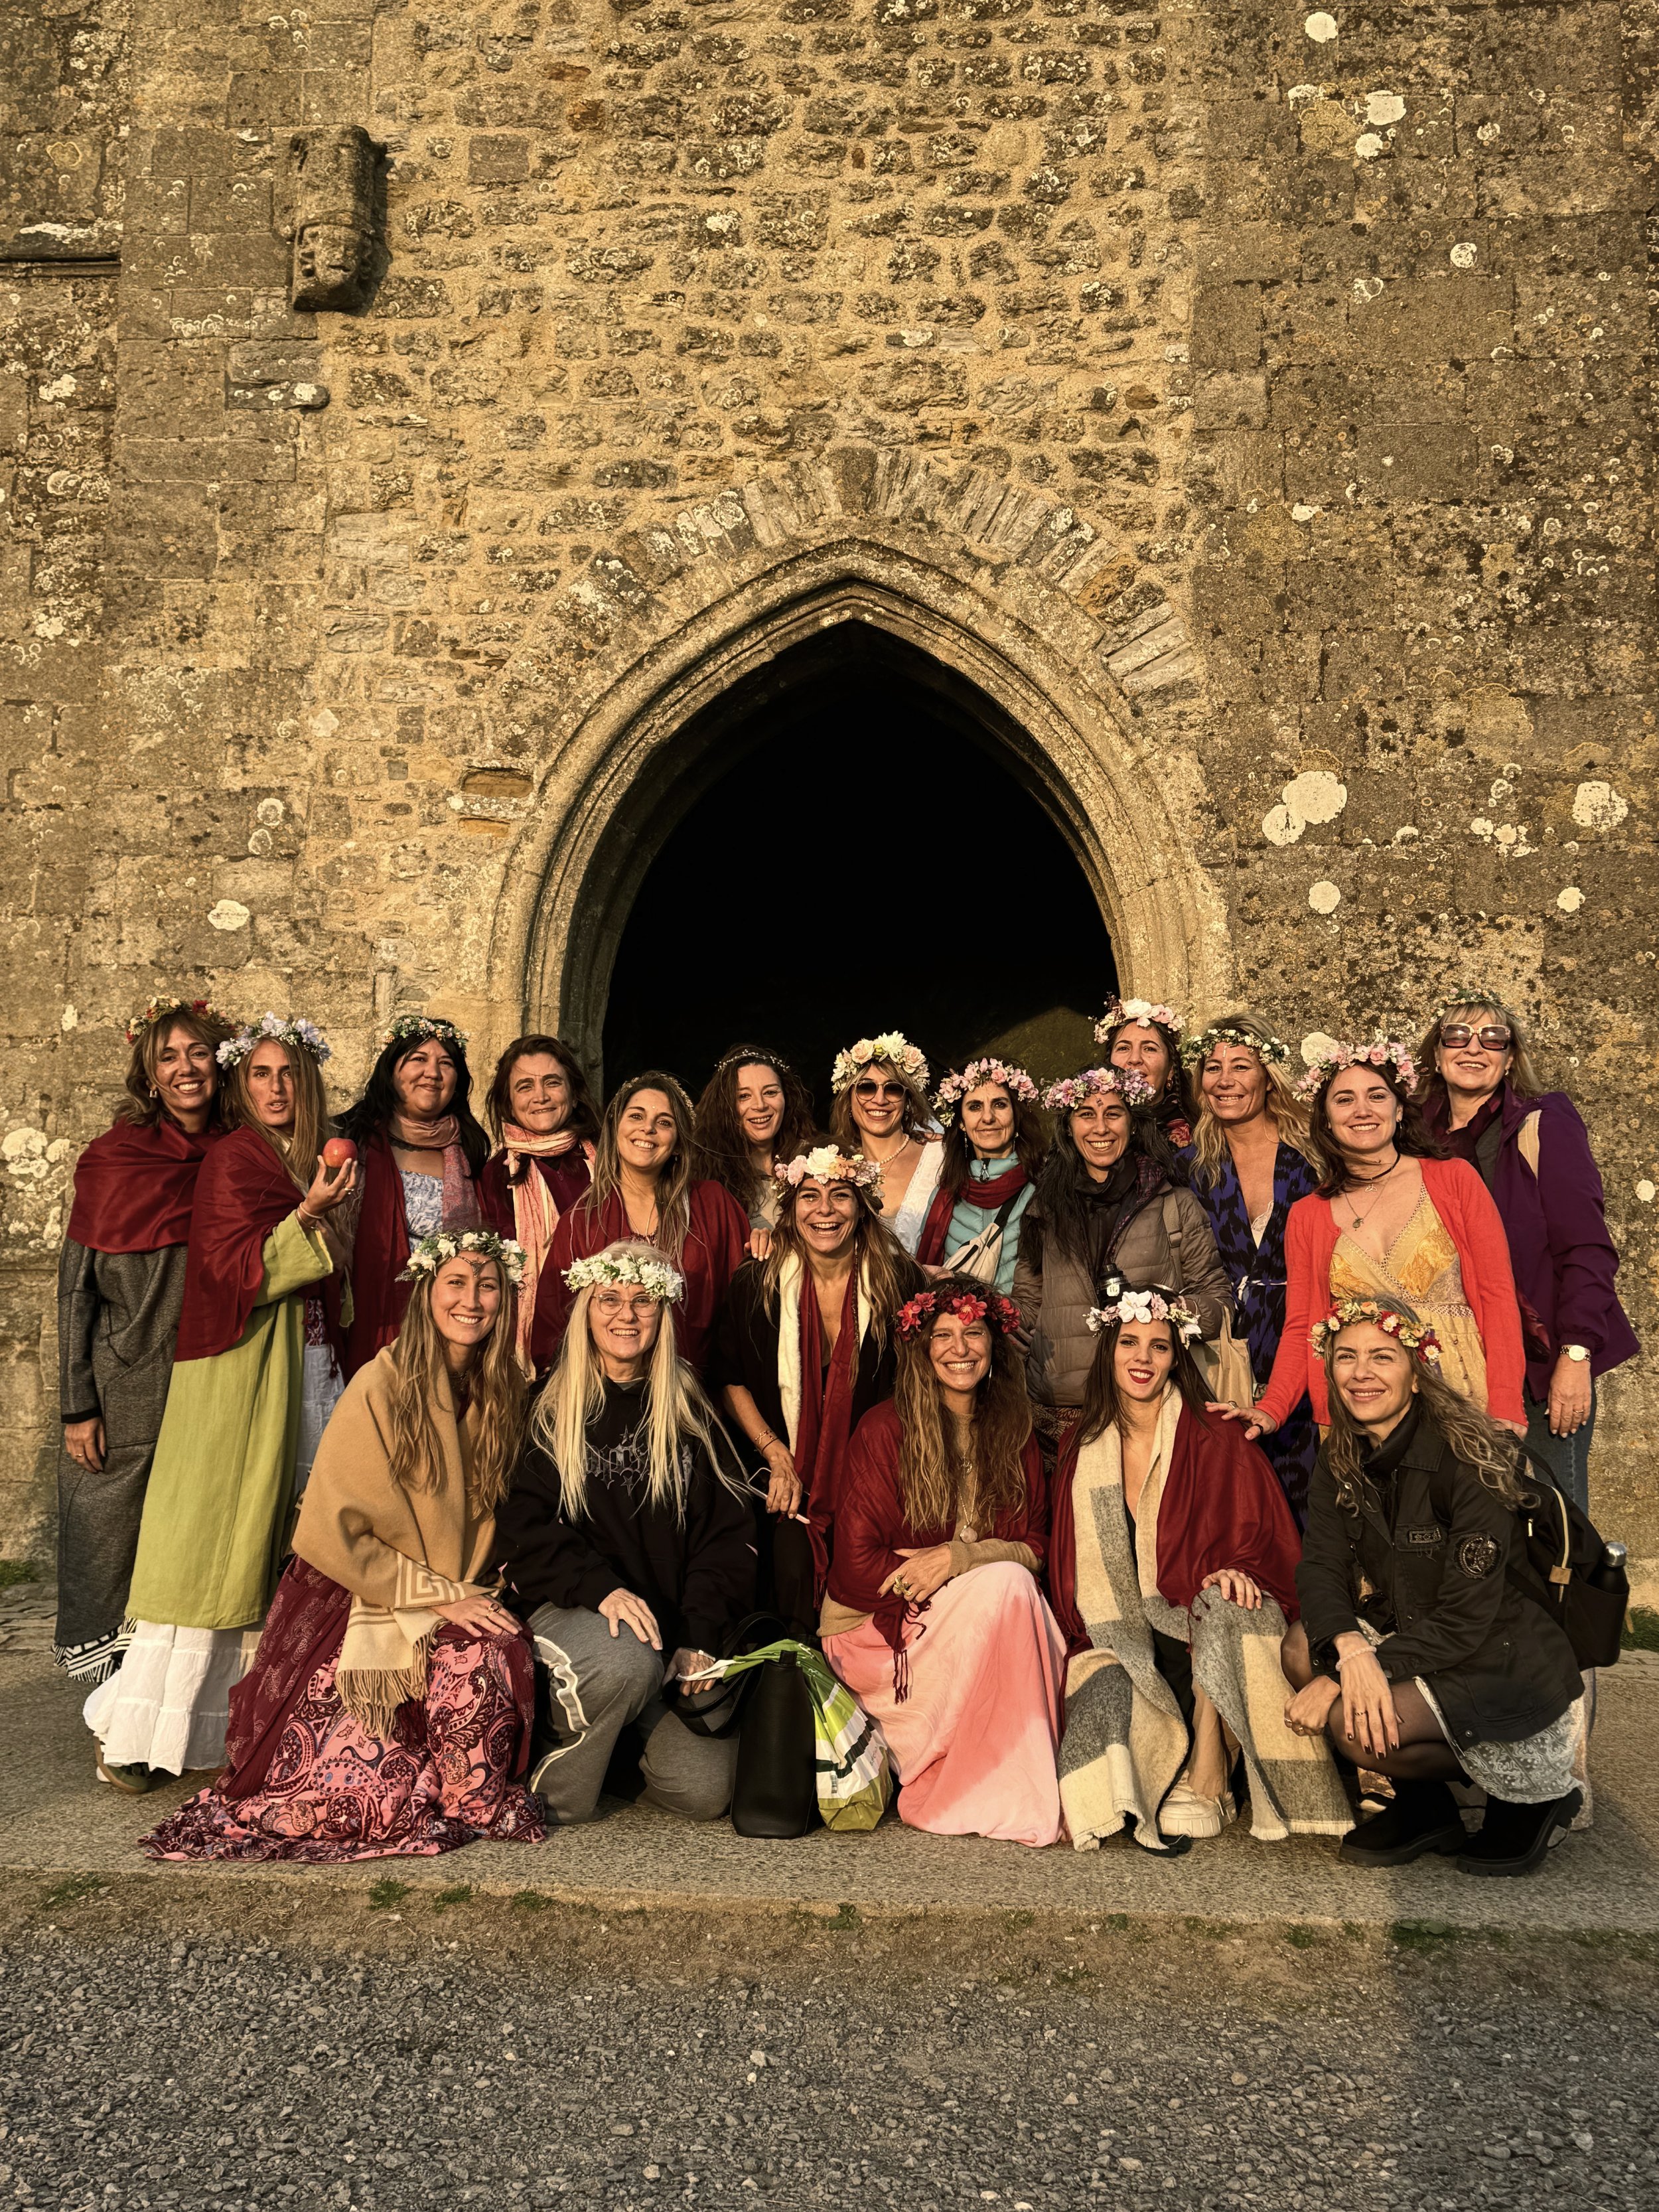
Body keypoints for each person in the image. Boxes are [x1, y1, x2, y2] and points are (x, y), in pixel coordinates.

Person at [143, 1230, 544, 1862]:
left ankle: (473, 1794)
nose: (472, 1300)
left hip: (463, 1584)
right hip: (363, 1591)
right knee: (368, 1794)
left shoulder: (505, 1393)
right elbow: (331, 1529)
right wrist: (440, 1596)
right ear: (427, 1294)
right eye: (456, 1283)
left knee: (494, 1654)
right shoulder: (379, 1386)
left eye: (488, 1285)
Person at [83, 1014, 357, 1790]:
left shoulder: (311, 1158)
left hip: (308, 1368)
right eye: (261, 1074)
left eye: (288, 1075)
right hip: (240, 1367)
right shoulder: (237, 1161)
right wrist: (307, 1216)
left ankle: (253, 1726)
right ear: (244, 1082)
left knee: (285, 1546)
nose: (274, 1088)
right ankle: (133, 1729)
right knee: (217, 1544)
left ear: (306, 1084)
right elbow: (226, 1266)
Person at [1283, 1299, 1587, 1876]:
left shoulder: (1468, 1456)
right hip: (1421, 1636)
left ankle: (1535, 1799)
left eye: (1382, 1356)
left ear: (1416, 1373)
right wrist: (1347, 1650)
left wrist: (1361, 1666)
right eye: (1346, 1356)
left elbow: (1467, 1620)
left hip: (1501, 1657)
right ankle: (1428, 1811)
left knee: (1351, 1721)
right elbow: (1319, 1566)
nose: (1361, 1372)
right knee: (1303, 1644)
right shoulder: (1341, 1455)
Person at [1048, 1290, 1350, 1851]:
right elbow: (1069, 1562)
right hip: (1126, 1631)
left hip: (1199, 1634)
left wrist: (1240, 1570)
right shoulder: (1080, 1446)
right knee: (1104, 1694)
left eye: (1159, 1346)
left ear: (1176, 1356)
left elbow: (1271, 1542)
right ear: (1108, 1351)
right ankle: (1149, 1774)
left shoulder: (1217, 1436)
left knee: (1225, 1605)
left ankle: (1212, 1771)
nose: (1143, 1358)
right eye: (1130, 1343)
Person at [495, 1241, 757, 1824]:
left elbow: (726, 1536)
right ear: (587, 1307)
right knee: (624, 1660)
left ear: (664, 1313)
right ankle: (549, 1795)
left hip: (660, 1637)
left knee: (707, 1789)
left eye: (643, 1300)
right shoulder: (547, 1404)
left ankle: (608, 1740)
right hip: (570, 1610)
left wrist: (698, 1636)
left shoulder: (692, 1410)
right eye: (609, 1298)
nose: (626, 1315)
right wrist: (598, 1588)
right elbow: (522, 1525)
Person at [821, 1279, 1066, 1847]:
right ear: (922, 1348)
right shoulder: (885, 1429)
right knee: (1006, 1585)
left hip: (968, 1616)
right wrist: (976, 1571)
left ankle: (1002, 1772)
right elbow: (857, 1567)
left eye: (974, 1332)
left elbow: (1037, 1546)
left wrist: (957, 1558)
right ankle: (985, 1779)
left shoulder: (1013, 1429)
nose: (961, 1349)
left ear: (993, 1343)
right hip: (871, 1637)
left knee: (1008, 1585)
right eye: (944, 1336)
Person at [54, 995, 236, 1687]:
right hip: (125, 1384)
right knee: (111, 1545)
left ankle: (177, 1706)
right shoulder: (113, 1161)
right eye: (169, 1057)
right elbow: (76, 1290)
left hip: (211, 1382)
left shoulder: (241, 1157)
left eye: (198, 1053)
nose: (186, 1068)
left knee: (192, 1546)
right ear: (150, 1074)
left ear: (220, 1065)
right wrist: (78, 1406)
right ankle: (112, 1708)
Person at [1415, 994, 1638, 1512]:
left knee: (1549, 1520)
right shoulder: (1415, 1137)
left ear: (1511, 1058)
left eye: (1494, 1038)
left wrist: (1575, 1354)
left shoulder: (1543, 1122)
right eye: (1457, 1036)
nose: (1475, 1048)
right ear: (1436, 1052)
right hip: (1451, 1359)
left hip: (1538, 1360)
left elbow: (1587, 1246)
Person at [1247, 1040, 1526, 1441]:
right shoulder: (1307, 1215)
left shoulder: (1455, 1180)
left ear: (1398, 1109)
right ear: (1325, 1118)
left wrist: (1505, 1403)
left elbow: (1498, 1296)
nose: (1363, 1110)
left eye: (1377, 1096)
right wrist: (1273, 1408)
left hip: (1462, 1389)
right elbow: (1302, 1327)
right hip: (1363, 1406)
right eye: (1344, 1099)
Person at [709, 1145, 921, 1635]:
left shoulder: (897, 1280)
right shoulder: (757, 1280)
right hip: (781, 1465)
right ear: (790, 1207)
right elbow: (729, 1376)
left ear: (862, 1205)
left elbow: (918, 1386)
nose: (824, 1210)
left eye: (840, 1195)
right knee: (788, 1558)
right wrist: (776, 1454)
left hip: (878, 1469)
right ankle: (797, 1686)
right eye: (810, 1195)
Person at [1013, 1066, 1233, 1461]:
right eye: (1086, 1114)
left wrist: (1172, 1311)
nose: (1101, 1128)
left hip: (1149, 1406)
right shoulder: (1044, 1209)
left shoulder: (1175, 1205)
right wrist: (994, 1319)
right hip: (1060, 1411)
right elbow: (1030, 1304)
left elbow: (1218, 1301)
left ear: (1133, 1123)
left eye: (1113, 1113)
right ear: (1067, 1127)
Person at [1179, 1015, 1323, 1522]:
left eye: (1241, 1065)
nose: (1225, 1080)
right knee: (1239, 1500)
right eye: (1212, 1068)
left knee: (1314, 1491)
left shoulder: (1316, 1151)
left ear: (1268, 1075)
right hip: (1226, 1351)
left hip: (1307, 1334)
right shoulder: (1192, 1165)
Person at [530, 1071, 749, 1376]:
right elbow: (554, 1321)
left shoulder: (712, 1204)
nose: (648, 1128)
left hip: (697, 1394)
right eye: (636, 1116)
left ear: (677, 1145)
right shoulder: (582, 1219)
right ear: (616, 1129)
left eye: (664, 1122)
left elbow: (744, 1305)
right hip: (604, 1399)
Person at [338, 1013, 488, 1376]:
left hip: (446, 1322)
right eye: (418, 1059)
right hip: (369, 1313)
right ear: (392, 1072)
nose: (432, 1073)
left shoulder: (468, 1153)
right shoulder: (352, 1142)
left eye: (446, 1064)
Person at [478, 1033, 601, 1368]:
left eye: (552, 1082)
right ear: (509, 1103)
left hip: (608, 1330)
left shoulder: (607, 1161)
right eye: (525, 1087)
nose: (541, 1097)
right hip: (532, 1343)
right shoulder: (495, 1176)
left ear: (574, 1095)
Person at [916, 1057, 1045, 1296]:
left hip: (1029, 1328)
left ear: (1017, 1116)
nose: (988, 1118)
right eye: (975, 1107)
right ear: (962, 1123)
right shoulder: (945, 1194)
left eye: (999, 1105)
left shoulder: (1044, 1186)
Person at [828, 1031, 943, 1256]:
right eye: (866, 1087)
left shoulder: (940, 1155)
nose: (879, 1099)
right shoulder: (833, 1167)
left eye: (893, 1089)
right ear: (848, 1099)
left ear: (908, 1100)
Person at [691, 1044, 818, 1237]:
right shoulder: (704, 1177)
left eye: (770, 1092)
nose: (760, 1105)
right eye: (744, 1096)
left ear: (787, 1098)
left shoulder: (815, 1162)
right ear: (725, 1107)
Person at [1094, 995, 1196, 1149]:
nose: (1135, 1059)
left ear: (1170, 1070)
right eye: (1123, 1048)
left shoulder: (1198, 1140)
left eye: (1149, 1048)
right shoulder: (1090, 1132)